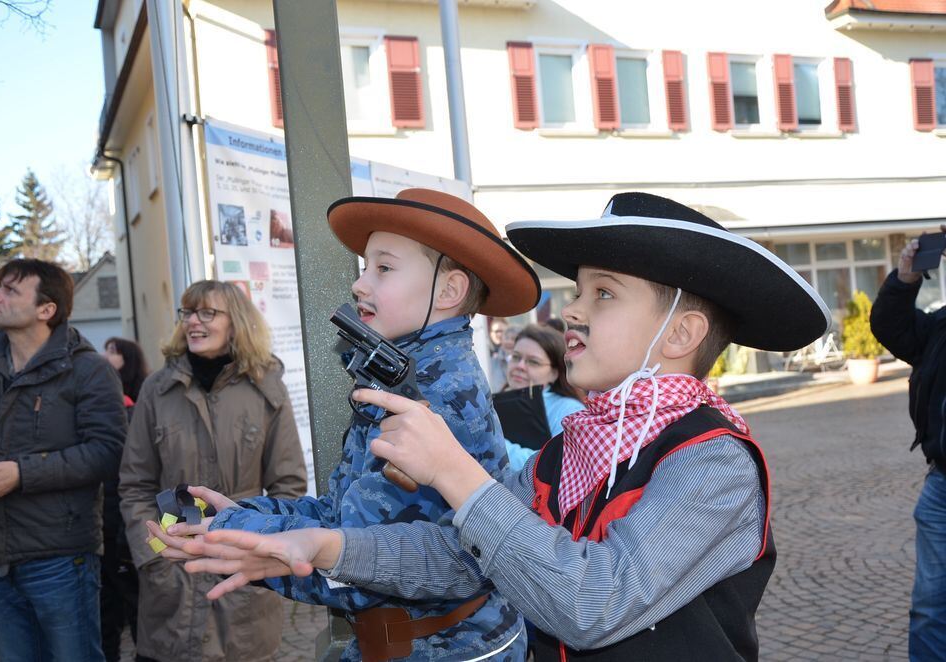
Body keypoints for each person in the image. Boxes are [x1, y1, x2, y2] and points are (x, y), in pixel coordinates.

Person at [176, 193, 831, 661]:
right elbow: (458, 553)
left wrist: (457, 475)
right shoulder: (570, 449)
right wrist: (316, 546)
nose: (571, 310)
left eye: (603, 294)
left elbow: (593, 604)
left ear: (680, 334)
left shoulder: (712, 463)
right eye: (579, 291)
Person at [150, 188, 541, 661]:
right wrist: (232, 519)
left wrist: (238, 534)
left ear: (449, 290)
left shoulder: (433, 394)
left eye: (383, 268)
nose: (359, 286)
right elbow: (344, 519)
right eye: (364, 268)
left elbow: (365, 564)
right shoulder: (406, 376)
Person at [0, 258, 126, 662]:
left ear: (47, 310)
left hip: (62, 556)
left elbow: (107, 453)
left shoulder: (88, 371)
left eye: (10, 290)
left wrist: (22, 474)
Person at [119, 280, 307, 662]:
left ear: (235, 322)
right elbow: (135, 485)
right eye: (188, 313)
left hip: (242, 575)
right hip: (171, 576)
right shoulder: (158, 389)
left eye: (207, 313)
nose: (193, 322)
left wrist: (256, 551)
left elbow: (288, 486)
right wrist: (154, 555)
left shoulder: (266, 388)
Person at [870, 228, 946, 661]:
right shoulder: (942, 325)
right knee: (931, 609)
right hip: (942, 489)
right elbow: (891, 327)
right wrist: (905, 278)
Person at [100, 337, 149, 661]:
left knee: (135, 607)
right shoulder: (106, 405)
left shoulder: (143, 401)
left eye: (114, 351)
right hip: (106, 519)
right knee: (107, 610)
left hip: (128, 522)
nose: (107, 356)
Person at [496, 324, 584, 470]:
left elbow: (550, 466)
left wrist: (493, 444)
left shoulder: (570, 411)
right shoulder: (494, 401)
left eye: (533, 362)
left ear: (555, 373)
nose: (520, 366)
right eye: (516, 357)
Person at [488, 317, 510, 392]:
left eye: (502, 331)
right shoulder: (485, 353)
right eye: (496, 331)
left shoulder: (513, 353)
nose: (499, 334)